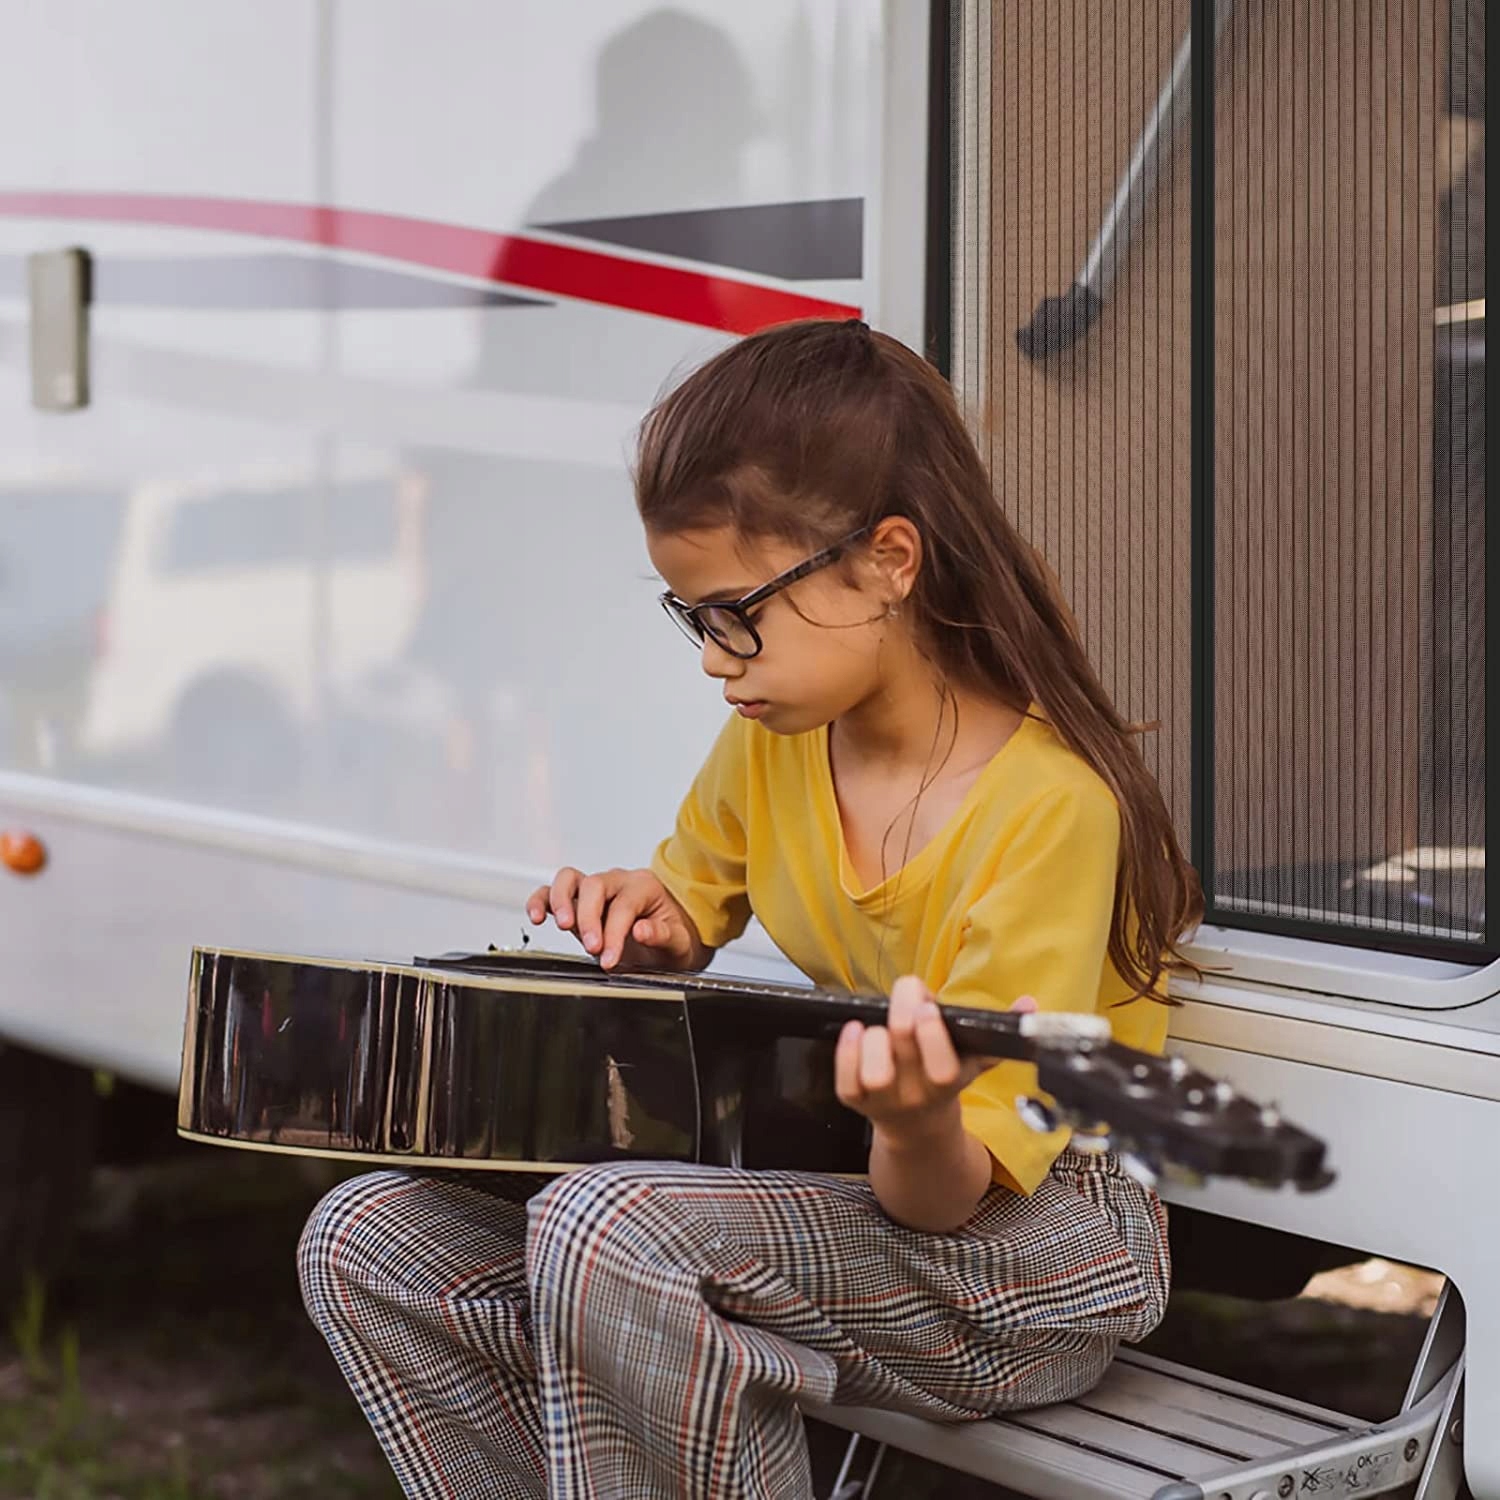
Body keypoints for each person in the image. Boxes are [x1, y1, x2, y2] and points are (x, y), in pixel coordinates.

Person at [298, 317, 1202, 1498]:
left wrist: (919, 1119)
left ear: (888, 560)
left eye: (738, 612)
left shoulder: (1049, 809)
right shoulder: (776, 744)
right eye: (693, 618)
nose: (716, 659)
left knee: (613, 1228)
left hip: (1042, 1244)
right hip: (843, 1192)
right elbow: (690, 898)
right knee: (366, 1239)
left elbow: (946, 1192)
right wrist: (648, 920)